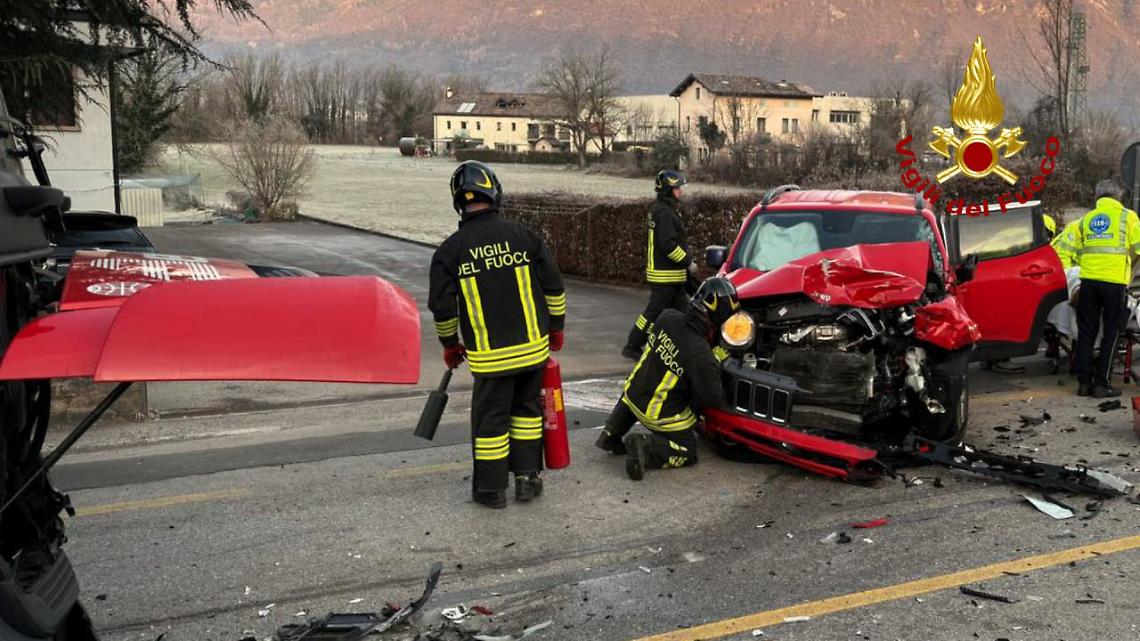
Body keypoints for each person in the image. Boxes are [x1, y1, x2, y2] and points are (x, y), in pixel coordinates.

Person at [429, 161, 567, 509]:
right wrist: (556, 327)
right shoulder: (523, 236)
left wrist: (450, 345)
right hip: (533, 351)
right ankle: (526, 479)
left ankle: (491, 491)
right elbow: (553, 286)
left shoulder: (450, 251)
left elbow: (442, 308)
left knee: (491, 421)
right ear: (495, 192)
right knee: (525, 414)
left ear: (458, 202)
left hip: (490, 359)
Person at [597, 277, 737, 480]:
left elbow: (680, 348)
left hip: (633, 395)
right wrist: (719, 363)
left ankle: (611, 432)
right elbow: (709, 398)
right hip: (659, 416)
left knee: (639, 386)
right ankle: (646, 447)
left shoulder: (667, 317)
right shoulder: (701, 356)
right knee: (688, 450)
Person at [1061, 179, 1140, 398]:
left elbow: (1072, 250)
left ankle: (1084, 384)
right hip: (1114, 284)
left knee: (1086, 333)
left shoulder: (1086, 219)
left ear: (1097, 197)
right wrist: (1130, 269)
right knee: (1112, 333)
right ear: (1118, 196)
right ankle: (1101, 384)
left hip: (1088, 282)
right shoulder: (1128, 216)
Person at [621, 169, 697, 360]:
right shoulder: (664, 213)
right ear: (668, 190)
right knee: (653, 314)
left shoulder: (662, 210)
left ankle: (687, 350)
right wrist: (688, 262)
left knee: (685, 315)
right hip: (666, 277)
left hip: (672, 277)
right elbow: (669, 246)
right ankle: (632, 346)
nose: (681, 191)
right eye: (677, 188)